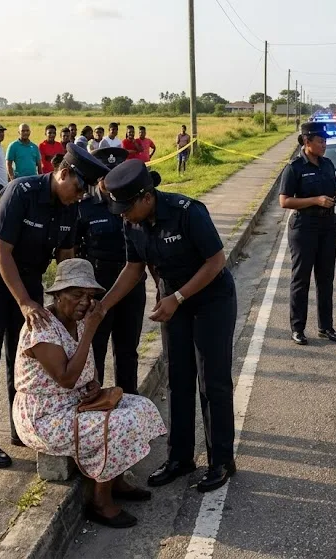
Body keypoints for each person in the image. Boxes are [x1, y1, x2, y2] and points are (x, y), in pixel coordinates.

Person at [0, 144, 111, 468]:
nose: (80, 197)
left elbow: (66, 257)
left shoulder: (70, 207)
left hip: (28, 279)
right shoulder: (21, 192)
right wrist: (25, 303)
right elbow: (1, 251)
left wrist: (73, 298)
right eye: (78, 188)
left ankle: (21, 429)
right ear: (63, 173)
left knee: (24, 355)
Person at [101, 160, 237, 493]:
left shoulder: (187, 212)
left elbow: (216, 261)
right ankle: (180, 457)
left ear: (147, 197)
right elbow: (133, 268)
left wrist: (177, 296)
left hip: (211, 299)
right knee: (178, 378)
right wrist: (104, 305)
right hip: (173, 300)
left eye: (126, 208)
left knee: (212, 380)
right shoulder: (132, 223)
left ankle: (221, 461)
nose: (123, 215)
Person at [13, 258, 165, 527]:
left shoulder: (79, 320)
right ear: (58, 295)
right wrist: (92, 329)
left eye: (90, 295)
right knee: (118, 424)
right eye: (77, 294)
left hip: (74, 403)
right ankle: (100, 502)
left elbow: (85, 366)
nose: (85, 302)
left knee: (140, 407)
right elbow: (66, 378)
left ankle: (116, 479)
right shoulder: (42, 327)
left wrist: (93, 383)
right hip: (44, 417)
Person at [73, 147, 143, 394]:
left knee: (128, 350)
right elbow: (72, 252)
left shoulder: (133, 202)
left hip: (132, 287)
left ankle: (129, 401)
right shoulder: (84, 207)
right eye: (108, 176)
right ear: (99, 178)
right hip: (97, 289)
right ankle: (96, 404)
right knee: (95, 349)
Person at [277, 121, 336, 345]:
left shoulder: (327, 164)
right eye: (320, 141)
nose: (324, 145)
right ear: (307, 141)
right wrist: (315, 200)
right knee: (301, 279)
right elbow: (284, 201)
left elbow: (329, 195)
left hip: (327, 225)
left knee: (326, 278)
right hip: (304, 227)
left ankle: (326, 326)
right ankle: (297, 328)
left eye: (325, 141)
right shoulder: (294, 167)